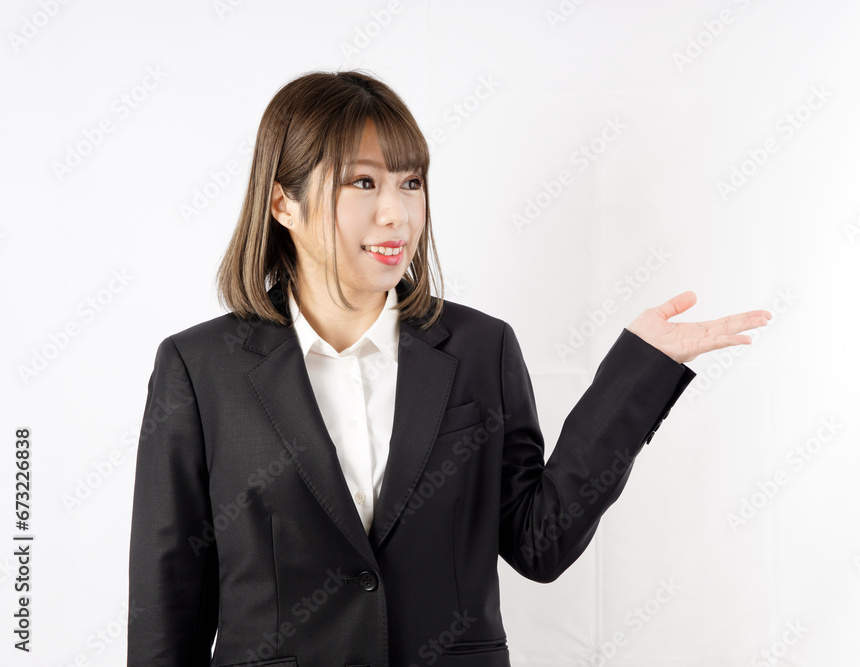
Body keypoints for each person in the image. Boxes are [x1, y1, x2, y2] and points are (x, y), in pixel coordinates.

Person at [126, 69, 771, 667]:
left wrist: (638, 375)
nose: (397, 214)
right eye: (363, 183)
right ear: (283, 204)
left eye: (410, 182)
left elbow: (540, 542)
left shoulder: (480, 349)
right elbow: (167, 607)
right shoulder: (199, 369)